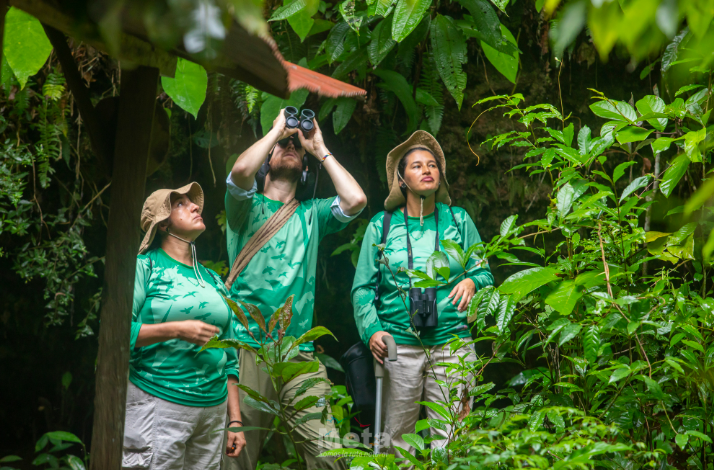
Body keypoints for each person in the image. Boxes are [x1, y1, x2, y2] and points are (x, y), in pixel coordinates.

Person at [224, 109, 367, 469]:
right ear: (267, 161)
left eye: (295, 146)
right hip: (247, 347)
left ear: (305, 169)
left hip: (297, 352)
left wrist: (317, 147)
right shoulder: (244, 207)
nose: (291, 146)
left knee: (329, 455)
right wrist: (276, 130)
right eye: (282, 146)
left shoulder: (312, 214)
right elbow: (240, 173)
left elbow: (355, 201)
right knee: (237, 458)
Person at [351, 130, 494, 456]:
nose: (427, 169)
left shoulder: (458, 220)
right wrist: (372, 330)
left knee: (456, 441)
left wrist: (473, 282)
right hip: (399, 349)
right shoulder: (381, 225)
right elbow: (362, 289)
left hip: (453, 345)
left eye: (432, 164)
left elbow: (485, 273)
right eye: (416, 166)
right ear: (401, 179)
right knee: (397, 443)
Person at [122, 183, 244, 470]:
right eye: (181, 204)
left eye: (194, 202)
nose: (195, 206)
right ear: (163, 224)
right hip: (160, 400)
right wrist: (177, 329)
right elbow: (118, 333)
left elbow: (230, 356)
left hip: (213, 411)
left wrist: (235, 421)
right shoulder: (145, 267)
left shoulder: (213, 280)